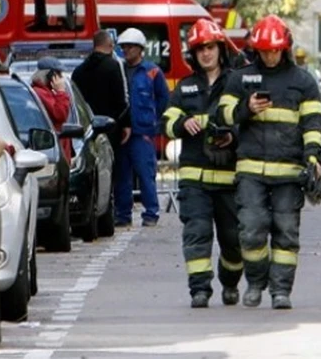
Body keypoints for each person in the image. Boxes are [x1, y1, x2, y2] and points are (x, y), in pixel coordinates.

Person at [216, 15, 321, 310]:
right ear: (256, 50)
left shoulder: (302, 81)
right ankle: (255, 282)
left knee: (286, 231)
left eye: (274, 50)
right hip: (250, 169)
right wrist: (245, 109)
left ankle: (281, 290)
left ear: (285, 48)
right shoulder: (241, 77)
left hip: (289, 171)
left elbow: (313, 122)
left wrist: (313, 155)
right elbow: (222, 114)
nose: (270, 56)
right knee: (251, 230)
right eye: (264, 51)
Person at [161, 19, 242, 308]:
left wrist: (231, 136)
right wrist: (183, 122)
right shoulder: (185, 88)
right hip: (194, 178)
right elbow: (167, 122)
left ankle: (230, 281)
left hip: (229, 179)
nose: (206, 53)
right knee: (197, 233)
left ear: (220, 48)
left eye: (210, 47)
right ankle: (200, 289)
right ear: (193, 54)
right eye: (200, 49)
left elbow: (246, 121)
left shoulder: (236, 82)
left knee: (234, 241)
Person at [114, 28, 170, 227]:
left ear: (140, 49)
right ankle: (122, 214)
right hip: (122, 132)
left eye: (129, 47)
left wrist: (154, 122)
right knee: (122, 175)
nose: (126, 50)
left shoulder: (152, 71)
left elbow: (164, 98)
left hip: (143, 132)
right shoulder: (118, 70)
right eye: (123, 47)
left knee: (146, 174)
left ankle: (151, 213)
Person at [73, 30, 132, 149]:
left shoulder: (79, 71)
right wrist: (126, 124)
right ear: (111, 46)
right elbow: (120, 99)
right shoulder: (113, 66)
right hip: (110, 128)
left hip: (86, 128)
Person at [31, 58, 71, 130]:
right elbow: (60, 115)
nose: (61, 77)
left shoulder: (47, 91)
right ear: (51, 76)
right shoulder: (41, 93)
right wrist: (61, 91)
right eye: (59, 74)